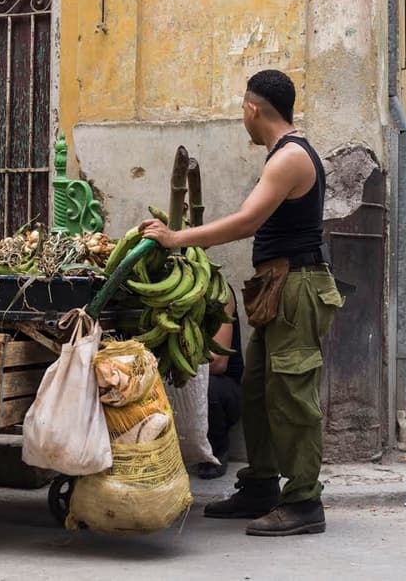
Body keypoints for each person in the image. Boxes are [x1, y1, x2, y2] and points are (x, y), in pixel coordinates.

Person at [141, 69, 342, 537]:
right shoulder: (283, 153)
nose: (243, 120)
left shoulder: (290, 157)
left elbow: (247, 221)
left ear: (253, 108)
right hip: (278, 289)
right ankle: (261, 486)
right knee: (258, 394)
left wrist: (177, 238)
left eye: (242, 111)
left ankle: (305, 502)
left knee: (292, 396)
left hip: (297, 287)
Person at [200, 297, 242, 479]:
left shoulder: (220, 293)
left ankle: (215, 449)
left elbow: (218, 363)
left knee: (208, 388)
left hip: (222, 386)